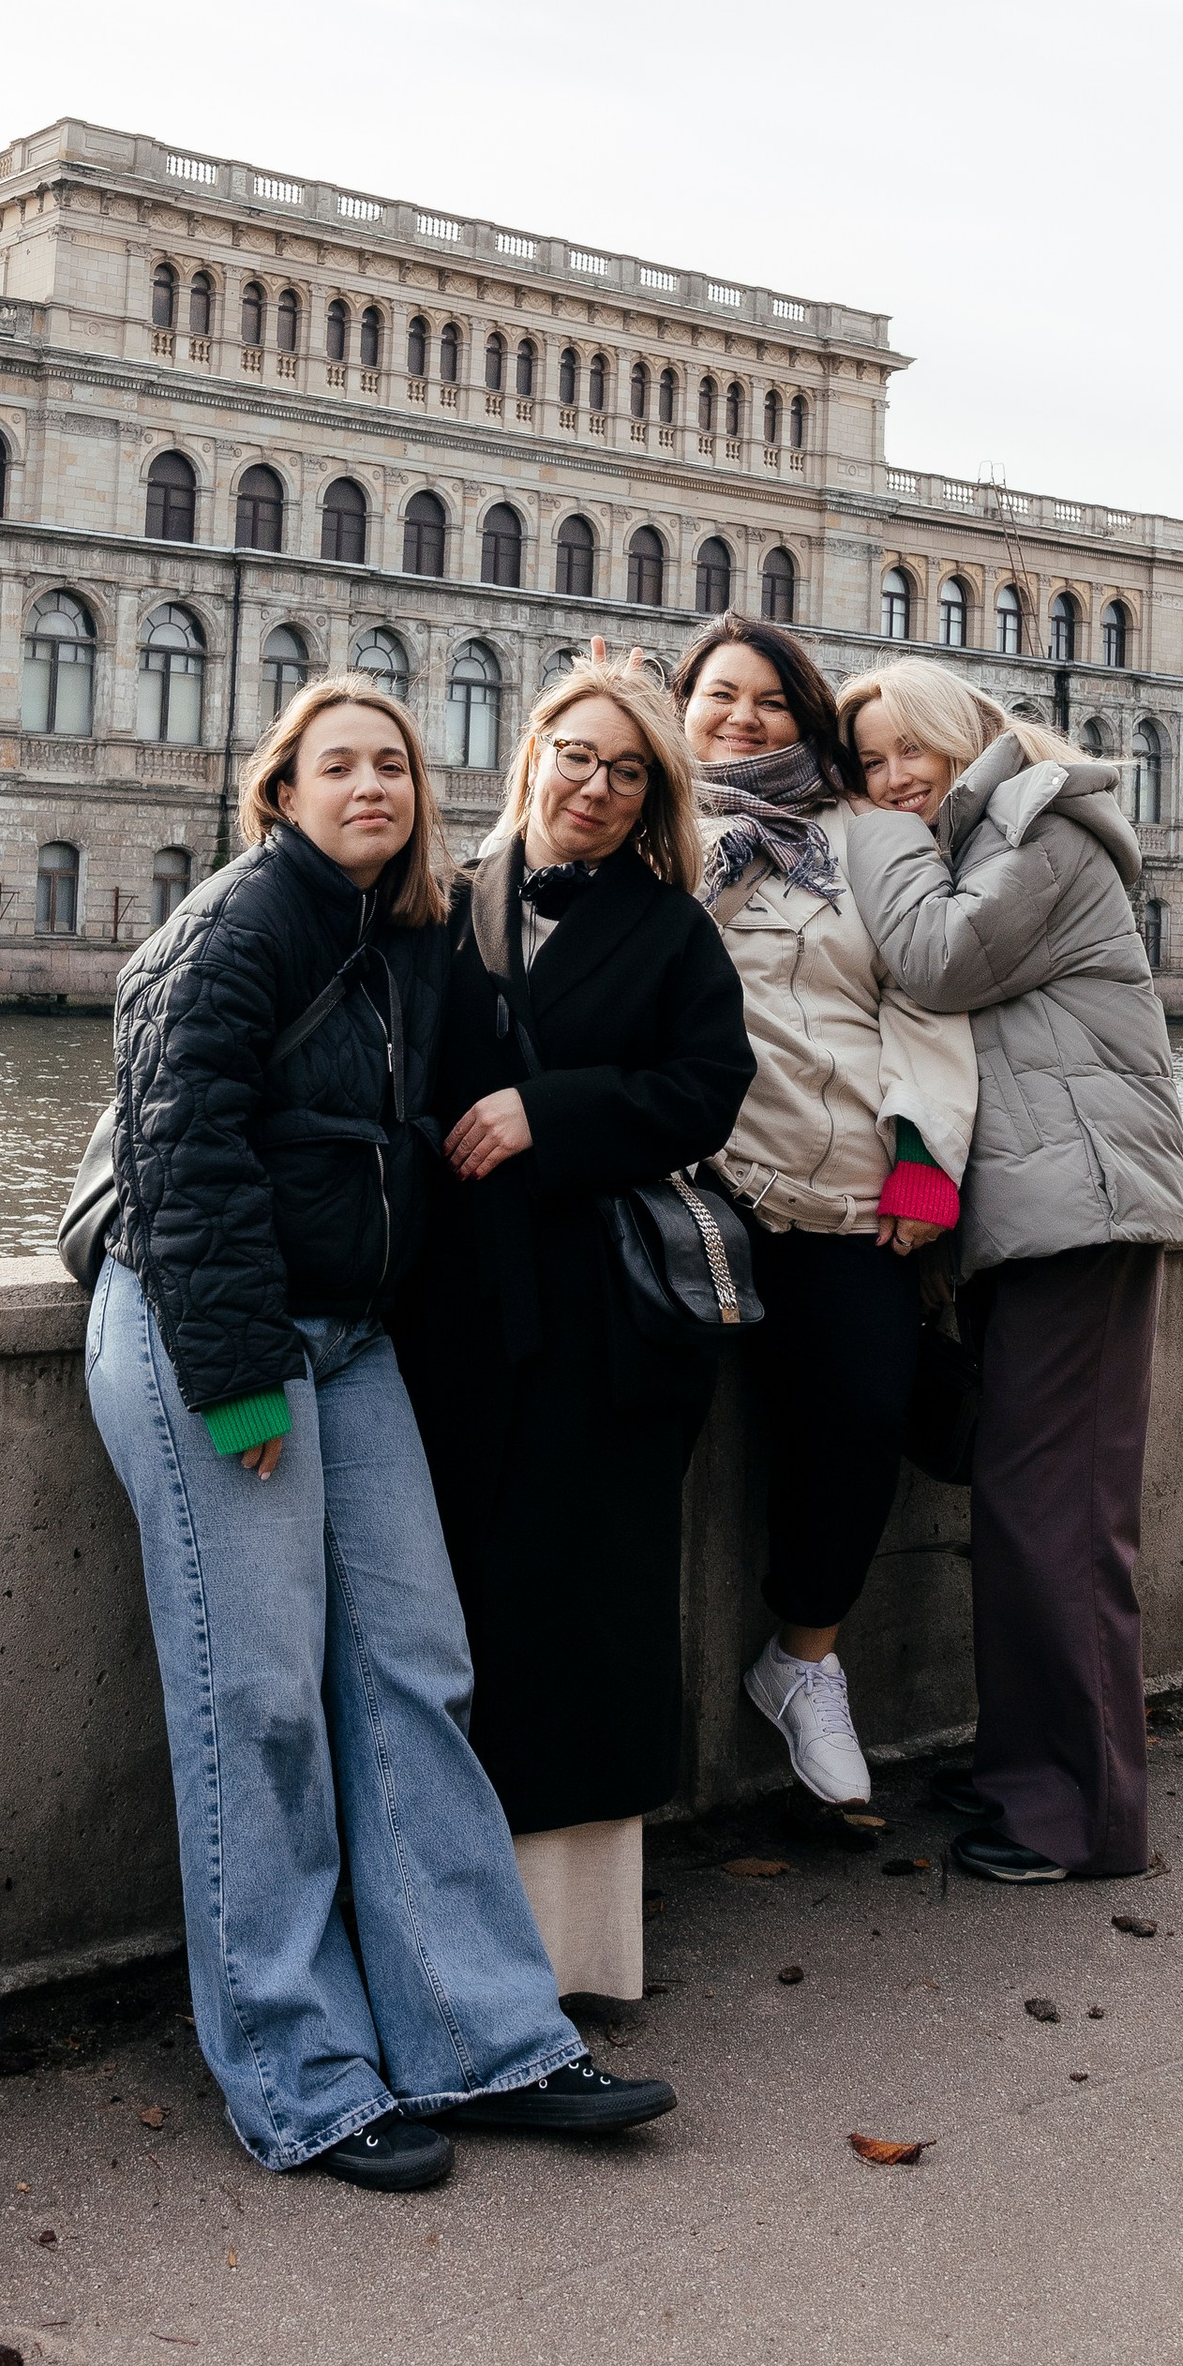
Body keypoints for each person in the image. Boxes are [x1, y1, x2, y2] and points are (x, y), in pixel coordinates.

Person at [86, 679, 676, 2194]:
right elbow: (177, 1146)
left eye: (396, 765)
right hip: (216, 1335)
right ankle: (298, 2075)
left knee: (420, 1669)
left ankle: (480, 2036)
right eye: (337, 765)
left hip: (348, 1341)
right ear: (278, 791)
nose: (372, 786)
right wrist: (233, 1378)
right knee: (260, 1700)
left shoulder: (411, 938)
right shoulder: (237, 924)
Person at [404, 662, 754, 2009]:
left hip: (604, 1333)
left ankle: (576, 1957)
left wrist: (553, 1112)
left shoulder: (674, 934)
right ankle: (444, 1930)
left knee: (587, 1626)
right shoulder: (440, 905)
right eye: (579, 758)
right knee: (457, 1621)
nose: (597, 789)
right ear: (531, 752)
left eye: (628, 773)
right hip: (449, 1322)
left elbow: (708, 1092)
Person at [838, 655, 1183, 1887]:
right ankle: (1030, 1764)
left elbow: (935, 961)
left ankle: (1080, 1815)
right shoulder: (983, 837)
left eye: (905, 753)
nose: (889, 779)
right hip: (1039, 1212)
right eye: (867, 762)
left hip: (1080, 1214)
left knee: (1059, 1523)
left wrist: (866, 834)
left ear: (961, 738)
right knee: (1029, 1511)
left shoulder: (1038, 833)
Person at [668, 616, 979, 1811]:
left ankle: (803, 1665)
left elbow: (925, 1004)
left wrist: (920, 1159)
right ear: (681, 704)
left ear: (808, 723)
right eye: (718, 697)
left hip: (850, 1184)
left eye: (772, 704)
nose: (742, 720)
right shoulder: (648, 822)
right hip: (707, 1187)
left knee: (859, 1410)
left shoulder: (867, 841)